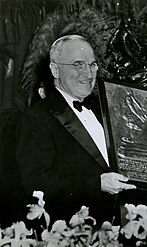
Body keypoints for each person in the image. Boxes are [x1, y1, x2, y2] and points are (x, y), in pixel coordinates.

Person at [16, 35, 136, 225]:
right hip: (74, 231)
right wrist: (97, 184)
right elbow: (35, 182)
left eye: (92, 65)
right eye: (78, 64)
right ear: (55, 69)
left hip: (121, 226)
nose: (88, 74)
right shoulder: (37, 117)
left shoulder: (106, 109)